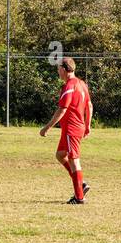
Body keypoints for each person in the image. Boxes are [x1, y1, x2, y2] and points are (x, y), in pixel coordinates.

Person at [39, 57, 93, 204]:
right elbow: (89, 106)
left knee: (74, 160)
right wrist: (87, 125)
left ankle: (79, 197)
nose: (58, 72)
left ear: (63, 69)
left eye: (58, 69)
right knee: (60, 155)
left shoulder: (70, 86)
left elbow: (62, 110)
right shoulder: (82, 84)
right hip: (75, 127)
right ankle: (80, 185)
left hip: (71, 128)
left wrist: (47, 128)